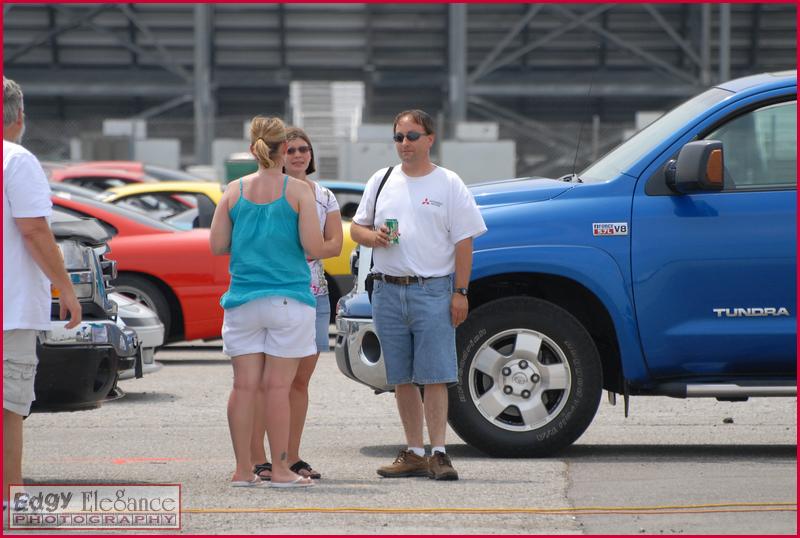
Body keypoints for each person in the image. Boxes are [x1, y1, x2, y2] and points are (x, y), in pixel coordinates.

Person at [350, 109, 486, 481]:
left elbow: (464, 242)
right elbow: (356, 229)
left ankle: (439, 453)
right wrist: (372, 236)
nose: (404, 144)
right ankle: (413, 451)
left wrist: (460, 292)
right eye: (398, 137)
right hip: (388, 289)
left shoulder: (449, 183)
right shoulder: (382, 180)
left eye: (412, 136)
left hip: (433, 290)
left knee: (436, 374)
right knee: (403, 377)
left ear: (430, 139)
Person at [209, 116, 324, 489]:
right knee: (278, 388)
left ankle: (243, 470)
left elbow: (216, 245)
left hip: (242, 300)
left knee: (243, 387)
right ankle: (280, 469)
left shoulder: (234, 190)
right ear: (281, 149)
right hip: (288, 299)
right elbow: (312, 247)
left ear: (253, 149)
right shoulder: (298, 191)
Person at [3, 76, 82, 507]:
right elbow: (33, 229)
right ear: (19, 117)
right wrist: (65, 288)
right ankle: (9, 496)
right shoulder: (16, 159)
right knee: (9, 408)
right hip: (9, 309)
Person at [249, 127, 342, 481]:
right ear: (278, 155)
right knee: (264, 382)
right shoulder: (268, 190)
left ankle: (291, 456)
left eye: (304, 149)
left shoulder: (324, 195)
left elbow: (333, 244)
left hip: (314, 294)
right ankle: (259, 458)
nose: (299, 155)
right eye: (291, 150)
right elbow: (317, 244)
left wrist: (312, 247)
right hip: (273, 291)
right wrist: (313, 246)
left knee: (299, 383)